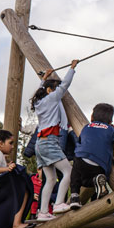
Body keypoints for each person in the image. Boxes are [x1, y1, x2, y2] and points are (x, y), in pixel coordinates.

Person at [32, 61, 78, 218]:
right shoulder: (52, 99)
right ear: (49, 90)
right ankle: (58, 203)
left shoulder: (38, 102)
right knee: (69, 171)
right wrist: (72, 68)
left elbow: (38, 91)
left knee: (50, 178)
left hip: (40, 144)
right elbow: (65, 85)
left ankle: (43, 212)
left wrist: (44, 78)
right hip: (49, 141)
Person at [68, 103, 114, 209]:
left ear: (91, 117)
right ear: (110, 121)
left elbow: (80, 141)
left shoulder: (86, 127)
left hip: (81, 158)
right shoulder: (111, 130)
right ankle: (97, 181)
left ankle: (74, 196)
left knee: (76, 177)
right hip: (100, 164)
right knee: (93, 180)